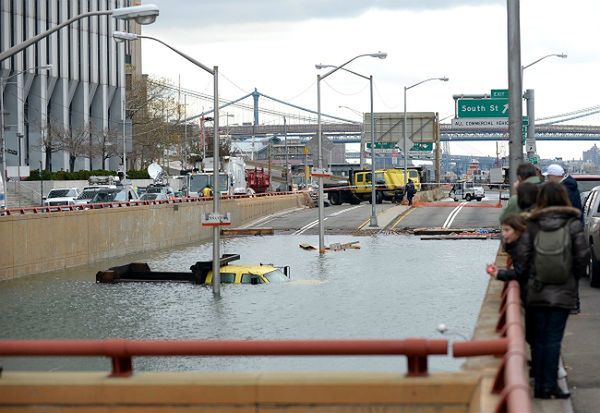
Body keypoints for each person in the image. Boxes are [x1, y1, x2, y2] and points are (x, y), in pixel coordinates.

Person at [520, 182, 589, 399]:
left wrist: (533, 277)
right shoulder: (573, 223)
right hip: (563, 289)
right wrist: (571, 278)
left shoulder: (532, 224)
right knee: (553, 339)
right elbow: (582, 256)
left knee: (539, 339)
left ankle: (539, 386)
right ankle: (551, 385)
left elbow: (523, 257)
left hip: (537, 289)